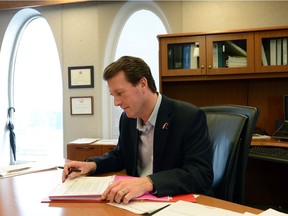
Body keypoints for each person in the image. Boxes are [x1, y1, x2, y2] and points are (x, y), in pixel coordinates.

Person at [62, 56, 213, 204]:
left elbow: (200, 174)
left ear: (142, 84)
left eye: (120, 93)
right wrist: (92, 165)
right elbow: (120, 156)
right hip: (134, 202)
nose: (116, 103)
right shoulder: (127, 119)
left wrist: (148, 182)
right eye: (113, 95)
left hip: (173, 203)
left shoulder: (188, 116)